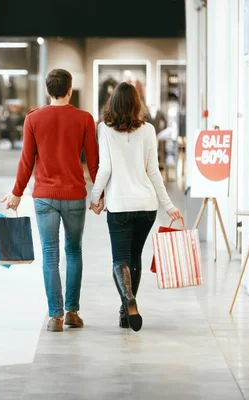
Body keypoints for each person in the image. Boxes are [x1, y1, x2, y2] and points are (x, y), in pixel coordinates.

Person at [1, 69, 101, 332]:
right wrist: (98, 195)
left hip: (44, 196)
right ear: (70, 90)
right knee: (74, 252)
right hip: (75, 195)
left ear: (48, 91)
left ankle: (55, 316)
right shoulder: (84, 119)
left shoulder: (34, 119)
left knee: (50, 254)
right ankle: (72, 312)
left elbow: (26, 160)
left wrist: (16, 192)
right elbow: (93, 162)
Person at [89, 82, 182, 332]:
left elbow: (105, 168)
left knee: (120, 259)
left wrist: (95, 196)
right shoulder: (149, 130)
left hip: (119, 205)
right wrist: (169, 205)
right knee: (135, 258)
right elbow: (154, 171)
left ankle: (128, 300)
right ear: (136, 104)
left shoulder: (104, 130)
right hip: (146, 205)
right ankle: (125, 311)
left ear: (113, 103)